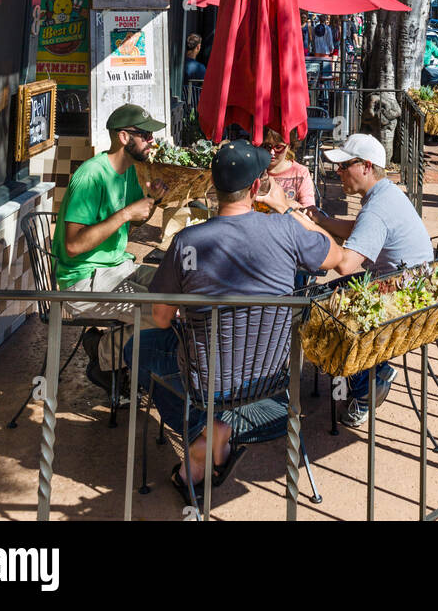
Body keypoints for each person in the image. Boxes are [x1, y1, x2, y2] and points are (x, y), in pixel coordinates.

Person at [126, 139, 342, 498]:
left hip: (207, 380)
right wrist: (290, 210)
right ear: (256, 188)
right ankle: (212, 434)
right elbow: (335, 256)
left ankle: (204, 435)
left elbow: (162, 319)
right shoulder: (286, 230)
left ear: (214, 187)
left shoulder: (187, 242)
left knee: (136, 349)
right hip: (272, 377)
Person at [302, 133, 434, 428]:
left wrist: (309, 228)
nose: (338, 172)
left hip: (403, 300)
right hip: (408, 286)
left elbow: (345, 265)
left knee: (321, 311)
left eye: (344, 165)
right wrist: (322, 220)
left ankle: (367, 387)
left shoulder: (376, 209)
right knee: (321, 298)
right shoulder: (385, 193)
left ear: (366, 166)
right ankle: (376, 371)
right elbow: (361, 229)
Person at [50, 103, 165, 387]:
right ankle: (104, 353)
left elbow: (130, 222)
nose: (153, 141)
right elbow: (74, 245)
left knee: (176, 289)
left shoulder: (130, 172)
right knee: (162, 315)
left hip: (118, 267)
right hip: (83, 280)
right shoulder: (91, 176)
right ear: (124, 137)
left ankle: (113, 351)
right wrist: (126, 213)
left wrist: (153, 202)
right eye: (146, 136)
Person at [264, 128, 316, 207]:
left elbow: (308, 209)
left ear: (289, 146)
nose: (272, 152)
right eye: (267, 147)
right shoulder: (255, 169)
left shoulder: (300, 173)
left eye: (278, 147)